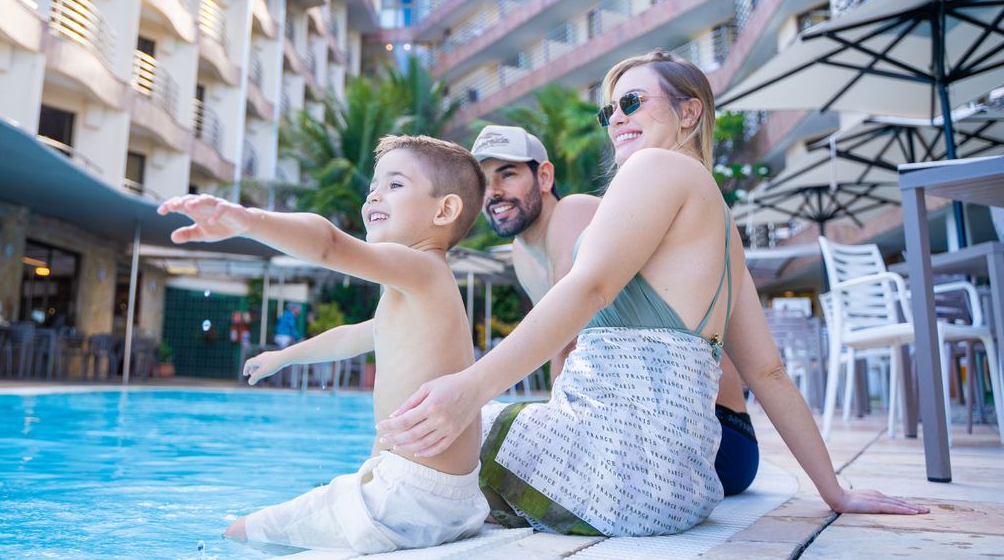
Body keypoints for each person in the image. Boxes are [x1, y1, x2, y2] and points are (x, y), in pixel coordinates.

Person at [377, 51, 927, 537]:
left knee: (421, 439)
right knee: (445, 447)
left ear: (689, 113)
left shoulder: (655, 167)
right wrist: (835, 491)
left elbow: (589, 288)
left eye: (633, 102)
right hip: (678, 491)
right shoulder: (721, 220)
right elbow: (769, 373)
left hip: (615, 472)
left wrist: (470, 388)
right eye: (610, 110)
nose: (616, 118)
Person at [158, 134, 491, 553]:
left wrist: (248, 220)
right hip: (450, 501)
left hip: (404, 497)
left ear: (444, 210)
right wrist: (283, 356)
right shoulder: (422, 292)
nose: (374, 194)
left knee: (239, 532)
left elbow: (329, 244)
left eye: (395, 184)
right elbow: (352, 336)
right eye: (374, 185)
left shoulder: (422, 269)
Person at [471, 124, 760, 496]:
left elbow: (566, 338)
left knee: (483, 443)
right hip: (641, 427)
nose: (493, 192)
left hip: (711, 437)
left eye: (507, 174)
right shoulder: (521, 252)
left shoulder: (572, 213)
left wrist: (556, 436)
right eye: (482, 183)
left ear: (543, 176)